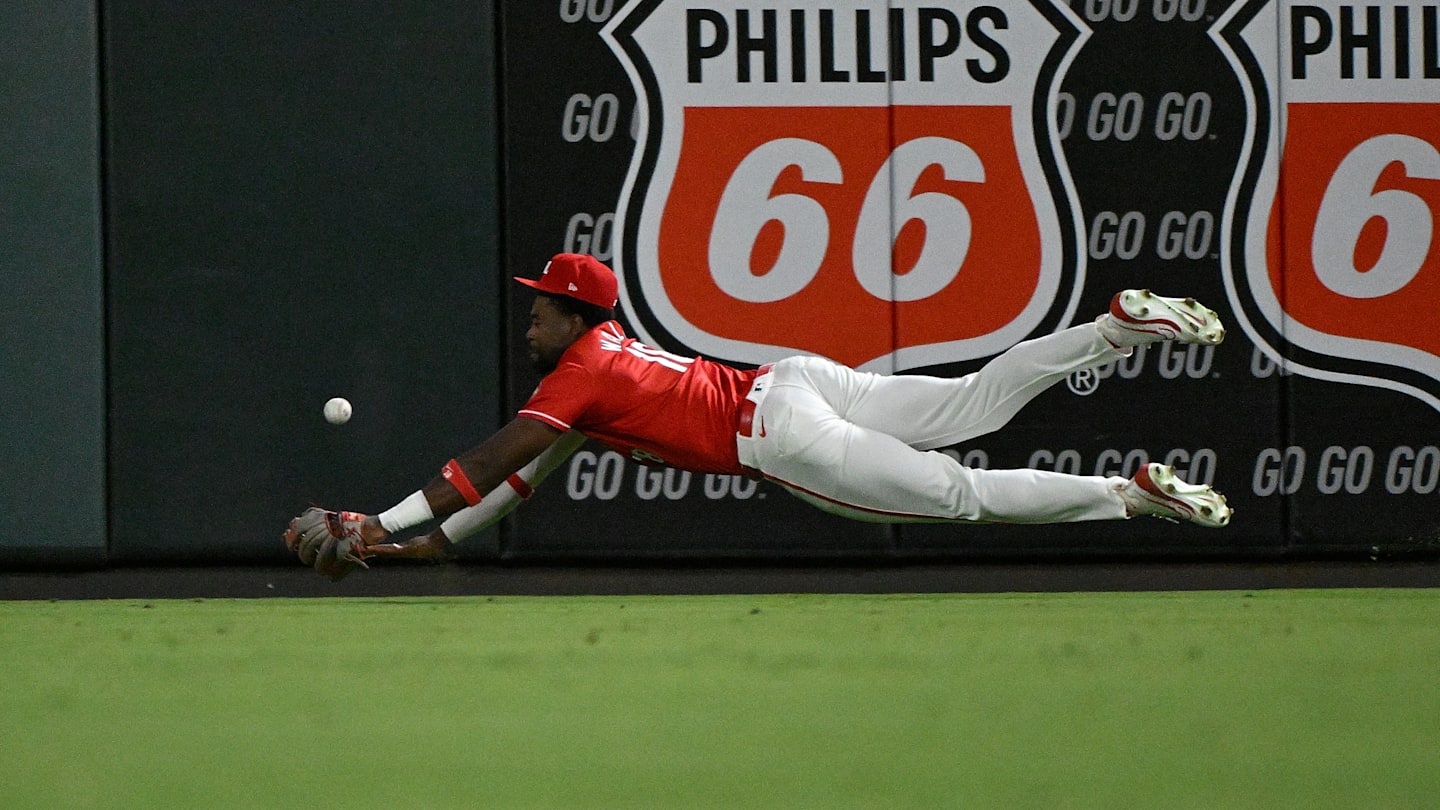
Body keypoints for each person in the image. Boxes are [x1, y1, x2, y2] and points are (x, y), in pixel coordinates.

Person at [284, 253, 1232, 578]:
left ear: (575, 317)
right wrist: (422, 548)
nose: (528, 317)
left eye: (540, 306)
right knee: (969, 399)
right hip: (794, 382)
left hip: (779, 432)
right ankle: (1114, 329)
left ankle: (1130, 494)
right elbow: (510, 492)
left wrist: (376, 521)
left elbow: (489, 462)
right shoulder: (607, 366)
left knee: (959, 496)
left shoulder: (576, 373)